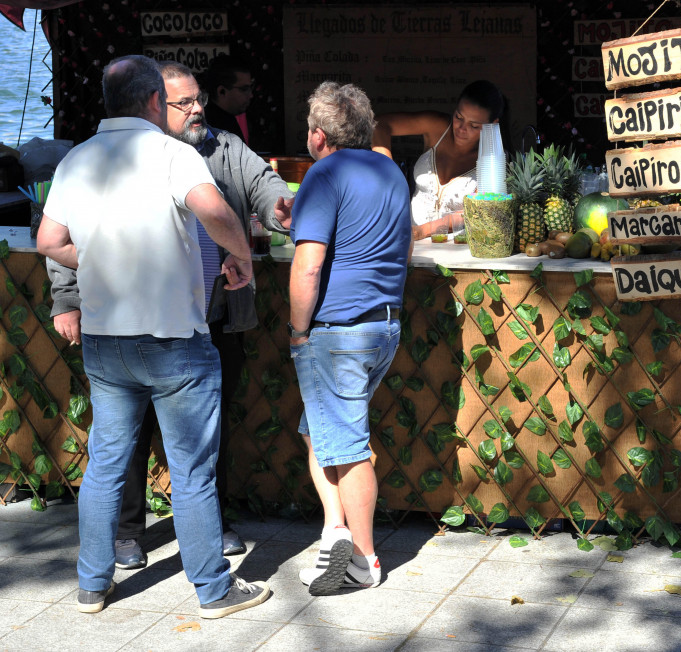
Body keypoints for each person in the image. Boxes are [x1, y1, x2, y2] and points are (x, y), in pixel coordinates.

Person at [35, 54, 270, 617]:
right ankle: (213, 590)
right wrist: (242, 256)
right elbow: (213, 209)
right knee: (191, 471)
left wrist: (94, 262)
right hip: (173, 340)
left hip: (106, 341)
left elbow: (48, 239)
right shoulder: (173, 153)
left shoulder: (77, 159)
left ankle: (92, 585)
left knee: (106, 464)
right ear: (152, 102)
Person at [289, 81, 411, 595]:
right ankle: (334, 531)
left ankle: (363, 560)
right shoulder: (390, 169)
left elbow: (309, 266)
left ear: (318, 135)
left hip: (338, 331)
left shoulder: (323, 173)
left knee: (349, 445)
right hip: (383, 324)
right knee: (319, 430)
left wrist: (297, 331)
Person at [372, 80, 505, 239]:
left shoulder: (493, 161)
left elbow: (477, 210)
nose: (462, 129)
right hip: (408, 244)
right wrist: (387, 173)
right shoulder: (437, 128)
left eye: (474, 126)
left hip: (456, 253)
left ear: (493, 124)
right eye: (459, 117)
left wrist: (421, 231)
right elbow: (378, 124)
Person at [203, 54, 254, 145]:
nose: (250, 95)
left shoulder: (226, 118)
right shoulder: (213, 126)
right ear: (222, 91)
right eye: (244, 89)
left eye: (250, 88)